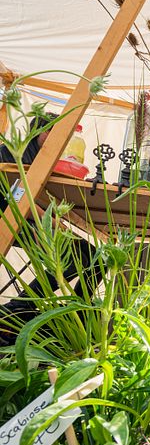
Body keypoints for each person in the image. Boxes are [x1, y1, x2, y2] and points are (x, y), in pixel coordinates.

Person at [0, 116, 103, 342]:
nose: (64, 141)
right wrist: (54, 222)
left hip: (29, 220)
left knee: (95, 257)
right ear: (44, 133)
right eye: (60, 134)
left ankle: (72, 311)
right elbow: (16, 195)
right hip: (10, 220)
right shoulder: (13, 152)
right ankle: (19, 307)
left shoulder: (44, 158)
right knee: (84, 255)